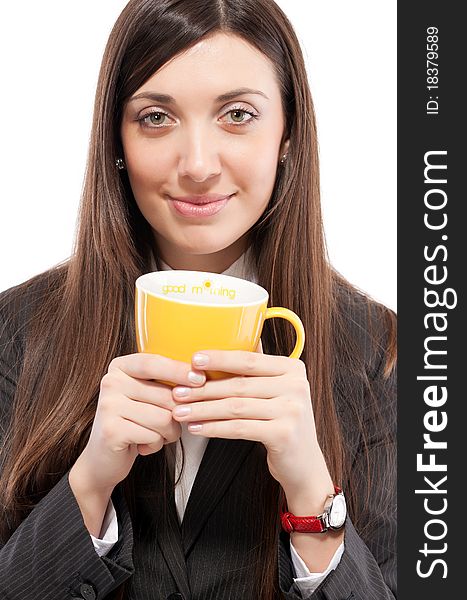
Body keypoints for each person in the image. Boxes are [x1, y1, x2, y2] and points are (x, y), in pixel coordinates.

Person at [0, 1, 396, 598]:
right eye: (156, 117)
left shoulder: (385, 353)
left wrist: (313, 493)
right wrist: (88, 485)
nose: (198, 165)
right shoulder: (17, 332)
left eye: (238, 114)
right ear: (116, 137)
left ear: (287, 133)